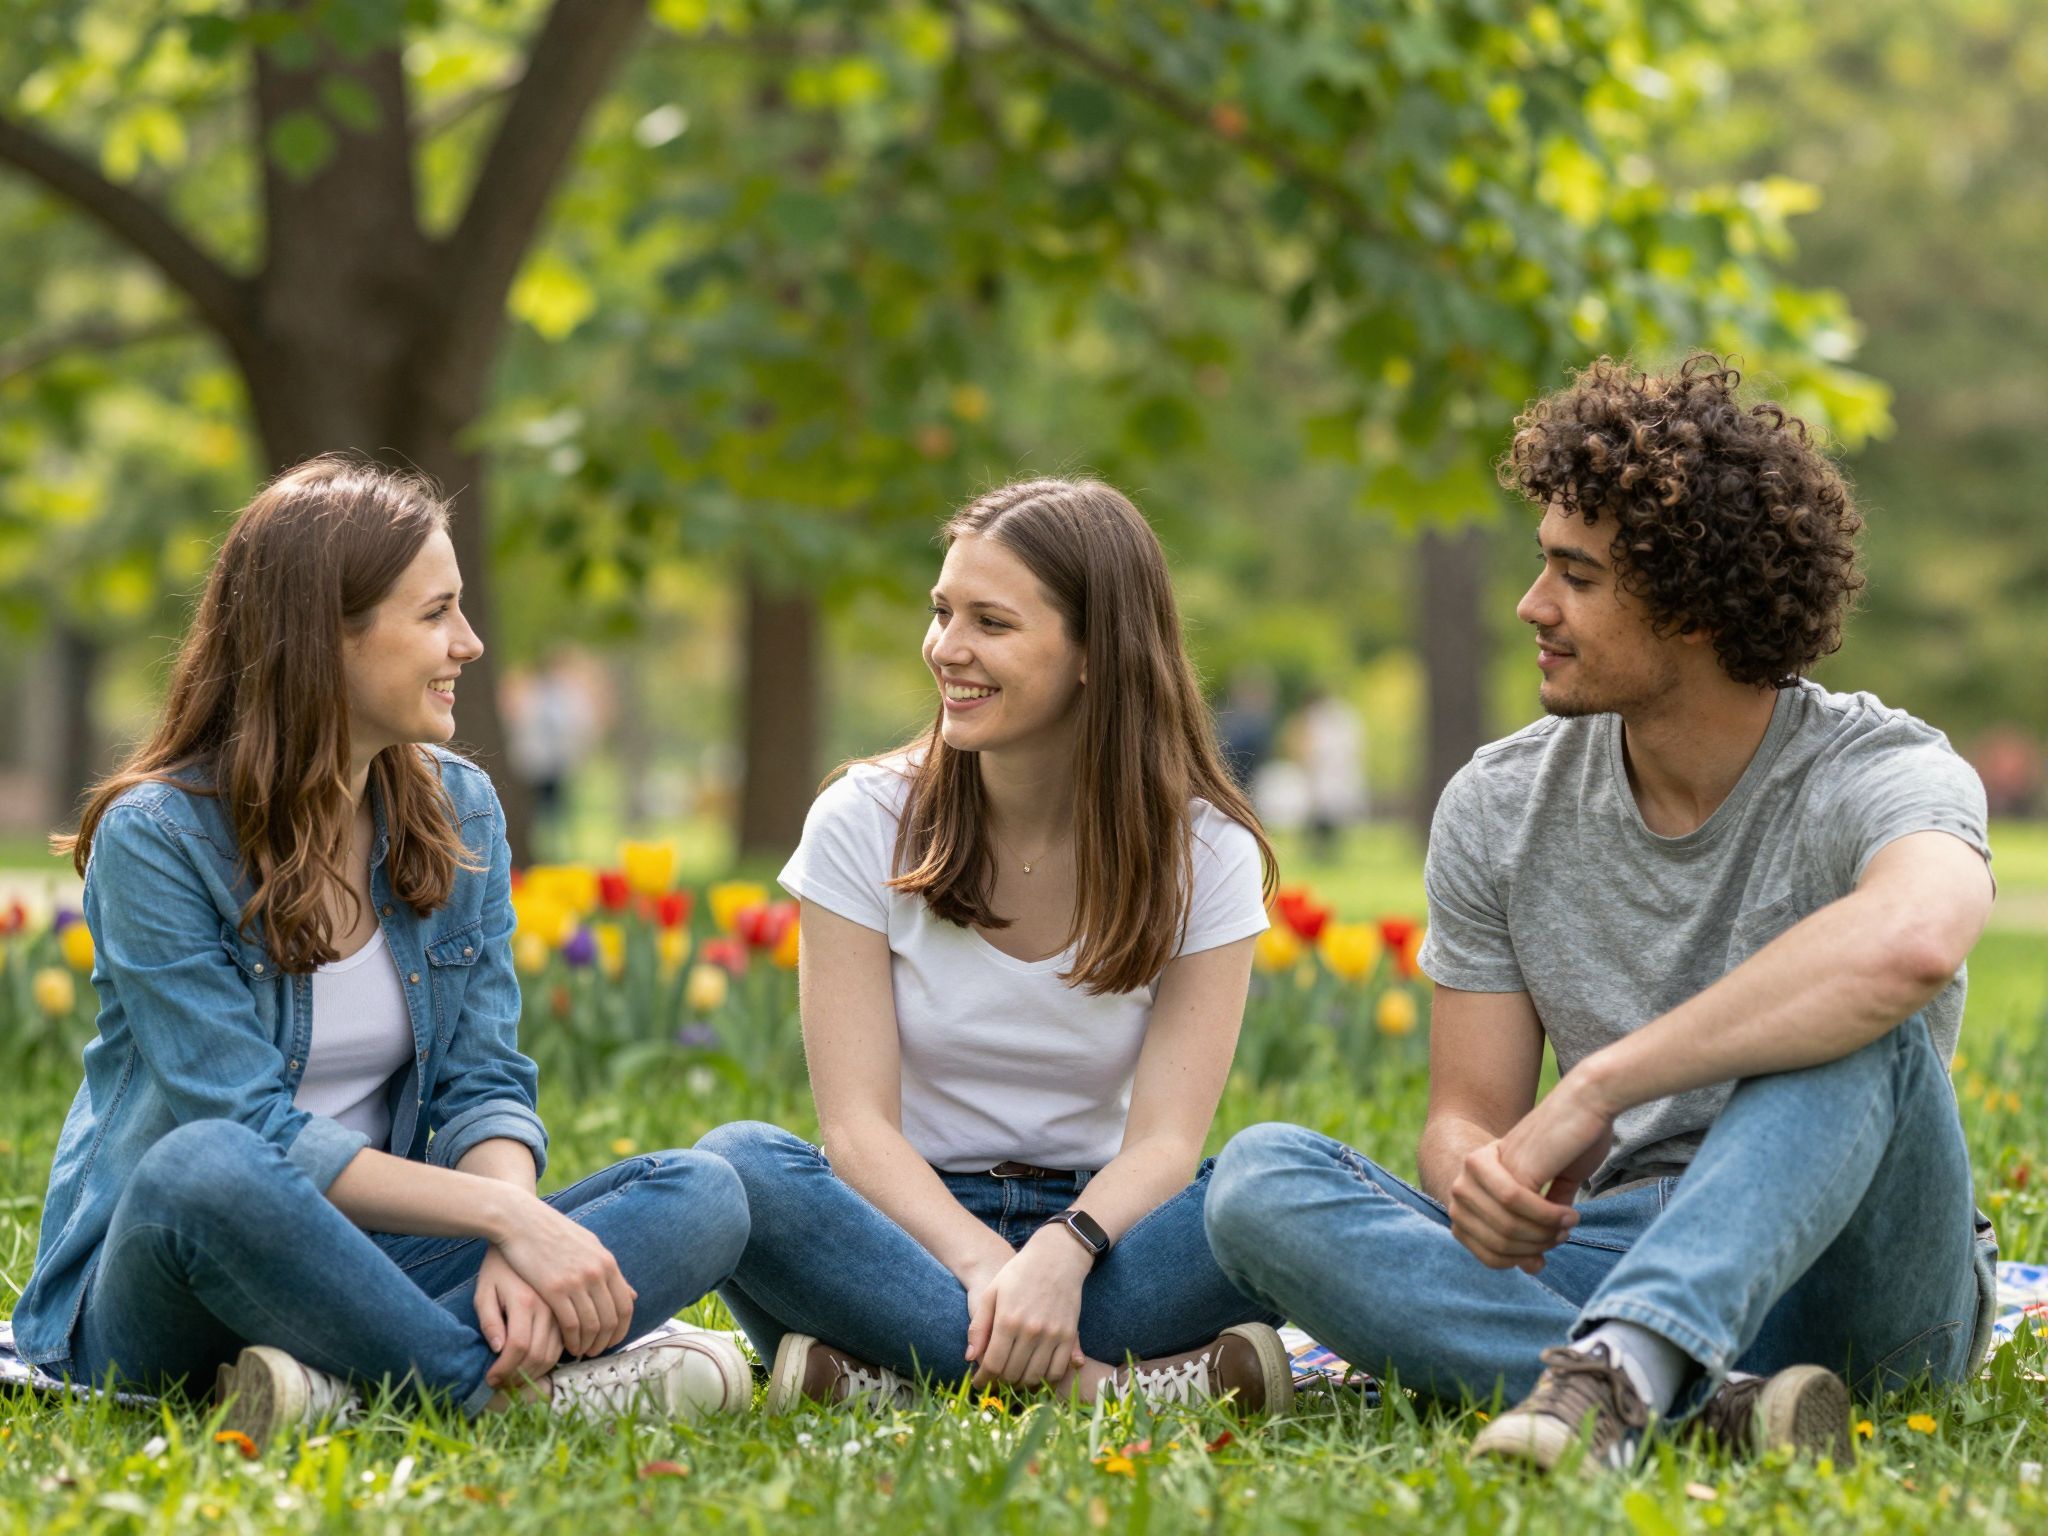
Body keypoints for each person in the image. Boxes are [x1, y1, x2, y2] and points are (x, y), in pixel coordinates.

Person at [1205, 356, 1998, 1471]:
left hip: (1854, 1281)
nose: (1532, 607)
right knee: (1256, 1181)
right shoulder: (1499, 803)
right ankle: (1696, 1395)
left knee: (1854, 1012)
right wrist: (1475, 1181)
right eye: (1542, 567)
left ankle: (1611, 1372)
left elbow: (1912, 938)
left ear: (1691, 605)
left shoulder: (1876, 768)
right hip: (1611, 1250)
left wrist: (1599, 1084)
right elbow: (1463, 1119)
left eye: (1575, 577)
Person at [10, 456, 750, 1441]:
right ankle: (500, 1390)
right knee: (209, 1167)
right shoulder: (158, 839)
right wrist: (505, 1222)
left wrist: (511, 1234)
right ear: (324, 639)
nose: (471, 643)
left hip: (384, 1263)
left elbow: (483, 1081)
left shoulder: (460, 809)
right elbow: (250, 1129)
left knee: (702, 1194)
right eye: (436, 613)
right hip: (167, 1284)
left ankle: (341, 1384)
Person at [700, 479, 1295, 1414]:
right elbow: (855, 1131)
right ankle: (1108, 1390)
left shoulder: (1202, 849)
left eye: (992, 623)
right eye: (942, 612)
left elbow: (1171, 1142)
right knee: (738, 1168)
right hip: (908, 1230)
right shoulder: (864, 819)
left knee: (1274, 1186)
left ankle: (887, 1379)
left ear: (1098, 652)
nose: (947, 649)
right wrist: (989, 1268)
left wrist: (1063, 1253)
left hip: (1107, 1240)